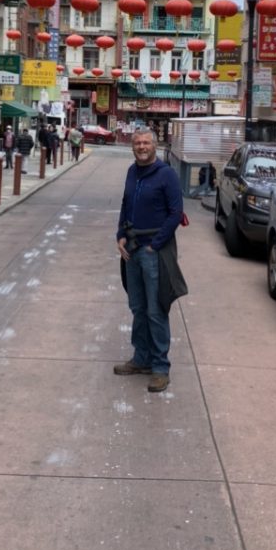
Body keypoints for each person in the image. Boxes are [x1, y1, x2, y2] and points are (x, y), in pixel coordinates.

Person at [115, 128, 187, 394]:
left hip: (153, 250)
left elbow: (176, 213)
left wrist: (154, 246)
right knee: (137, 306)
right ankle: (141, 358)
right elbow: (125, 204)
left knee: (156, 309)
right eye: (137, 143)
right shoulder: (132, 172)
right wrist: (120, 234)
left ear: (155, 146)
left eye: (146, 142)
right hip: (131, 249)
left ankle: (160, 368)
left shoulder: (166, 175)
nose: (141, 147)